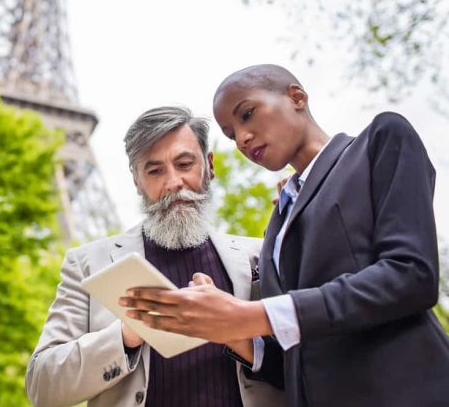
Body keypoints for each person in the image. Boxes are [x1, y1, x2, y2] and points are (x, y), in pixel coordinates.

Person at [119, 65, 449, 407]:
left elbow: (412, 275)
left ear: (296, 97)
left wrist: (252, 315)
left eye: (247, 114)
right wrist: (232, 332)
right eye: (231, 134)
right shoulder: (277, 223)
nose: (243, 139)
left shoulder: (379, 139)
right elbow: (296, 362)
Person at [25, 106, 283, 407]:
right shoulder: (86, 264)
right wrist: (125, 335)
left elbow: (307, 365)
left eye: (184, 164)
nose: (173, 182)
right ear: (136, 181)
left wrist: (233, 328)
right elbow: (41, 386)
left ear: (209, 166)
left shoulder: (262, 254)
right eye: (155, 170)